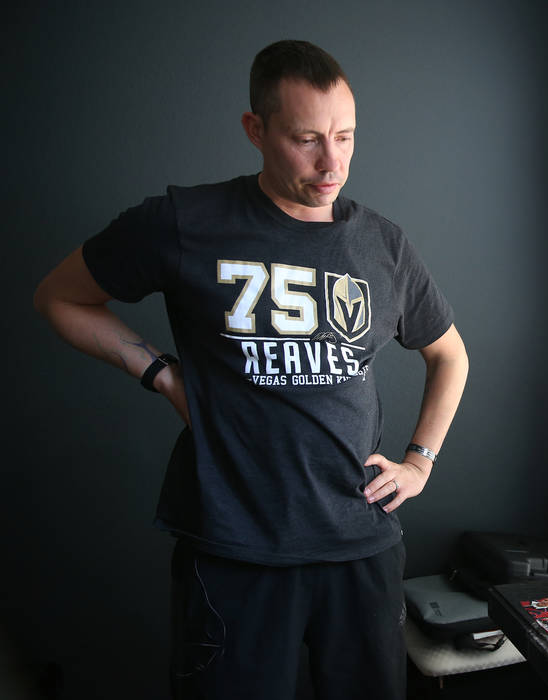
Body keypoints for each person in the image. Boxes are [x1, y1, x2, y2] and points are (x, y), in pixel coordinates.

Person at [33, 39, 468, 700]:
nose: (332, 163)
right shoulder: (186, 222)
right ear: (255, 130)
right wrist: (164, 376)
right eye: (307, 139)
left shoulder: (381, 243)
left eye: (345, 136)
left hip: (362, 547)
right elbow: (60, 298)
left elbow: (450, 355)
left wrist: (420, 461)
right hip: (236, 551)